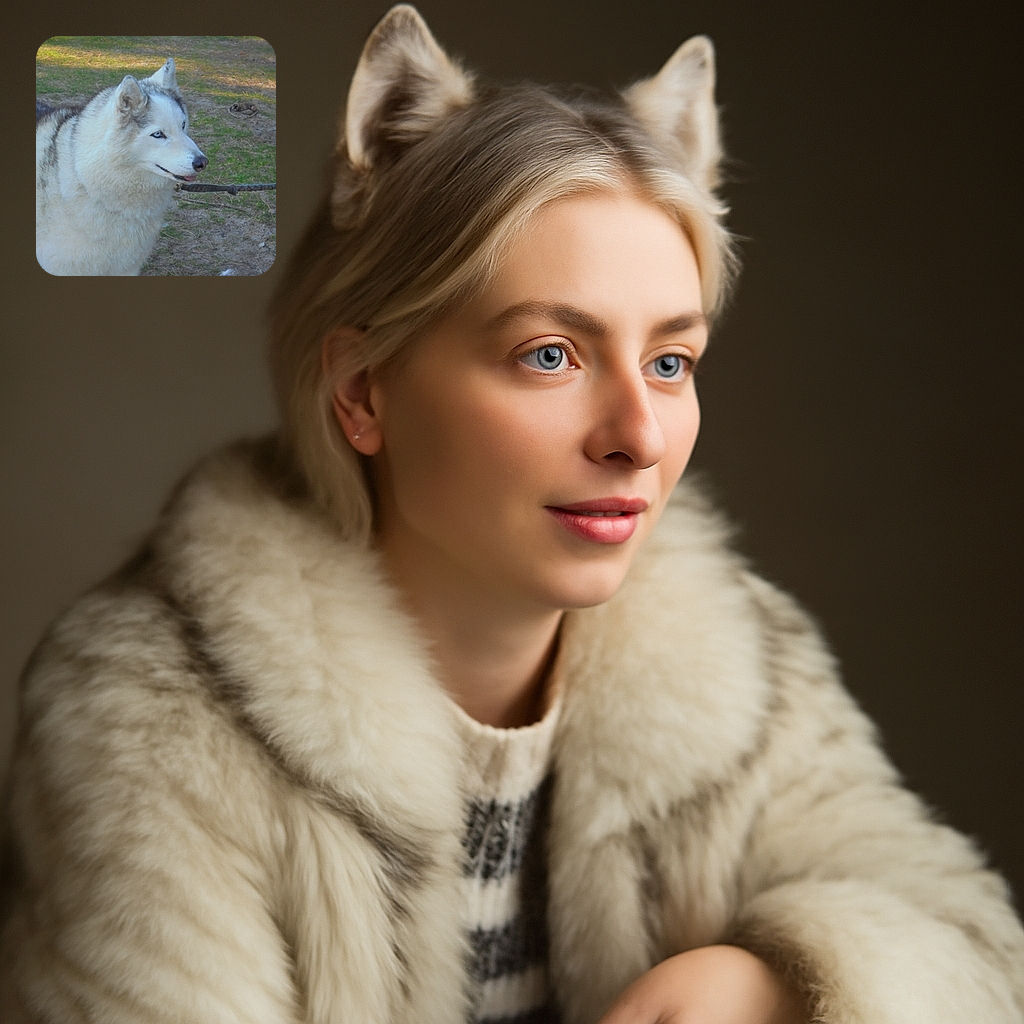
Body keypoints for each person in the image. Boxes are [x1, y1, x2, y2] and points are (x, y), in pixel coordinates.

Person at [2, 6, 1022, 1023]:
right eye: (550, 354)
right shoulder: (147, 724)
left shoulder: (748, 672)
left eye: (670, 361)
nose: (640, 434)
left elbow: (976, 948)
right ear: (362, 391)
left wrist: (778, 981)